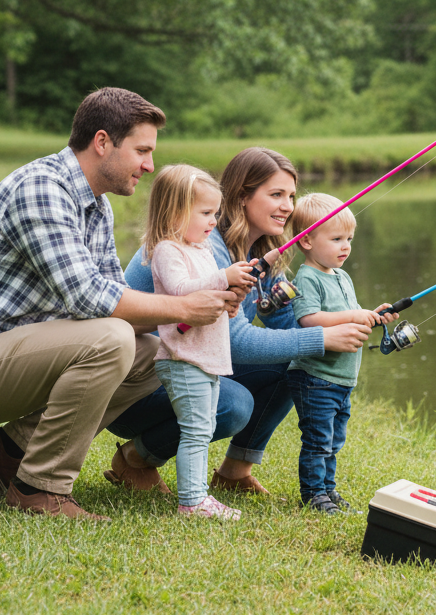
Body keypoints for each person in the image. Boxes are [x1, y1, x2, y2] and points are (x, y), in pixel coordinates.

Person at [0, 87, 240, 520]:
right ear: (102, 142)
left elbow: (114, 296)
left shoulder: (96, 206)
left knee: (151, 348)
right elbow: (90, 298)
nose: (150, 165)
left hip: (6, 353)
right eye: (141, 150)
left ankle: (11, 451)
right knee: (114, 338)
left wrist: (205, 302)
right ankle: (38, 489)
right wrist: (183, 309)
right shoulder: (44, 188)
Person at [124, 147, 374, 494]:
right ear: (242, 196)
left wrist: (345, 320)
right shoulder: (202, 241)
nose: (288, 206)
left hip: (187, 356)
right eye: (276, 195)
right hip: (138, 377)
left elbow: (287, 324)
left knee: (293, 363)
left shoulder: (260, 249)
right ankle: (135, 459)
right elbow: (233, 340)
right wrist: (322, 340)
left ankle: (234, 473)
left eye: (290, 195)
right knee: (232, 404)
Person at [145, 164, 254, 519]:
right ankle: (192, 502)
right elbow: (180, 292)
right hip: (181, 358)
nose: (213, 221)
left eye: (216, 213)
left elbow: (209, 298)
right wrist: (223, 276)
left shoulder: (202, 247)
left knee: (202, 429)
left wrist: (229, 302)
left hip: (205, 357)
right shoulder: (167, 250)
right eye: (206, 212)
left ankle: (197, 498)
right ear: (175, 211)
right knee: (194, 431)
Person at [285, 194, 396, 513]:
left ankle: (328, 490)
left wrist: (372, 315)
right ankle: (314, 494)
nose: (345, 246)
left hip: (342, 379)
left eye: (348, 238)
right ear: (306, 240)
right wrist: (353, 316)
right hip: (315, 377)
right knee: (318, 440)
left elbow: (349, 313)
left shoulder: (341, 275)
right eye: (336, 239)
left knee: (333, 441)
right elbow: (309, 320)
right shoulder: (307, 276)